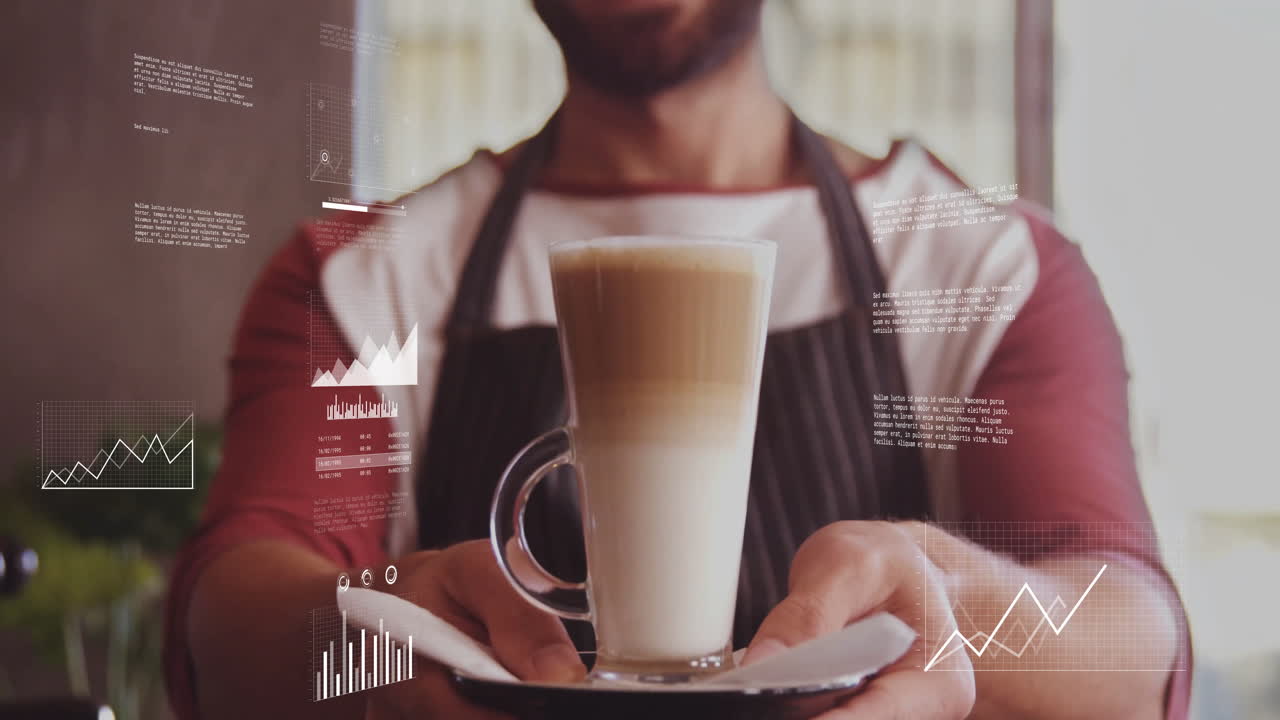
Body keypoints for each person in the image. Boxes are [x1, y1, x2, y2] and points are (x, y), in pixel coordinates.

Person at [165, 0, 1190, 718]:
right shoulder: (363, 282)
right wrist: (382, 630)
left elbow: (1132, 650)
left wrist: (953, 601)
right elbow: (224, 626)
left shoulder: (985, 270)